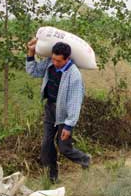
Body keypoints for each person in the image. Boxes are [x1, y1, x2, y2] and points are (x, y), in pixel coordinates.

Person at [26, 38, 91, 183]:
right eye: (53, 59)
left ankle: (85, 159)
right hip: (50, 109)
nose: (55, 63)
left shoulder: (74, 75)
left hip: (65, 114)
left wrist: (68, 126)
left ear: (67, 59)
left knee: (64, 148)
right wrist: (31, 53)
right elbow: (33, 71)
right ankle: (52, 179)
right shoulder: (50, 63)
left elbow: (75, 102)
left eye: (59, 61)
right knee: (46, 146)